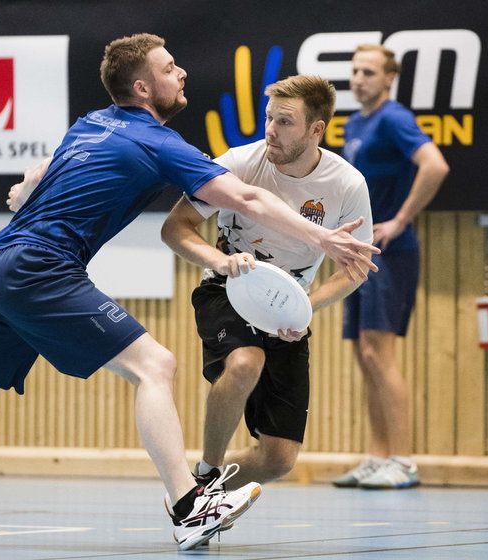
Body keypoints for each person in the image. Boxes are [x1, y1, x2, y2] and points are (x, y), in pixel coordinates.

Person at [0, 34, 380, 551]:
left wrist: (26, 185)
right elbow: (250, 202)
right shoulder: (158, 140)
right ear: (143, 88)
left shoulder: (94, 122)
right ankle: (190, 507)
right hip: (43, 269)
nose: (181, 71)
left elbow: (41, 170)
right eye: (169, 68)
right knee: (155, 367)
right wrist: (323, 237)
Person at [159, 75, 373, 491]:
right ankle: (206, 470)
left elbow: (355, 268)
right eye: (268, 118)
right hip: (228, 288)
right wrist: (220, 261)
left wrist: (307, 307)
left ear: (316, 129)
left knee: (277, 460)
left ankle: (195, 490)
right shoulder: (239, 164)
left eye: (285, 122)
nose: (270, 130)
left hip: (287, 306)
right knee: (244, 363)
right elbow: (176, 229)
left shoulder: (347, 184)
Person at [333, 44, 449, 490]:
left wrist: (400, 220)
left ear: (388, 79)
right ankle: (377, 457)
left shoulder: (394, 117)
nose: (359, 78)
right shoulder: (358, 122)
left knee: (380, 355)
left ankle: (402, 460)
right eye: (355, 71)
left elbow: (434, 165)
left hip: (391, 254)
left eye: (368, 72)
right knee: (364, 356)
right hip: (360, 254)